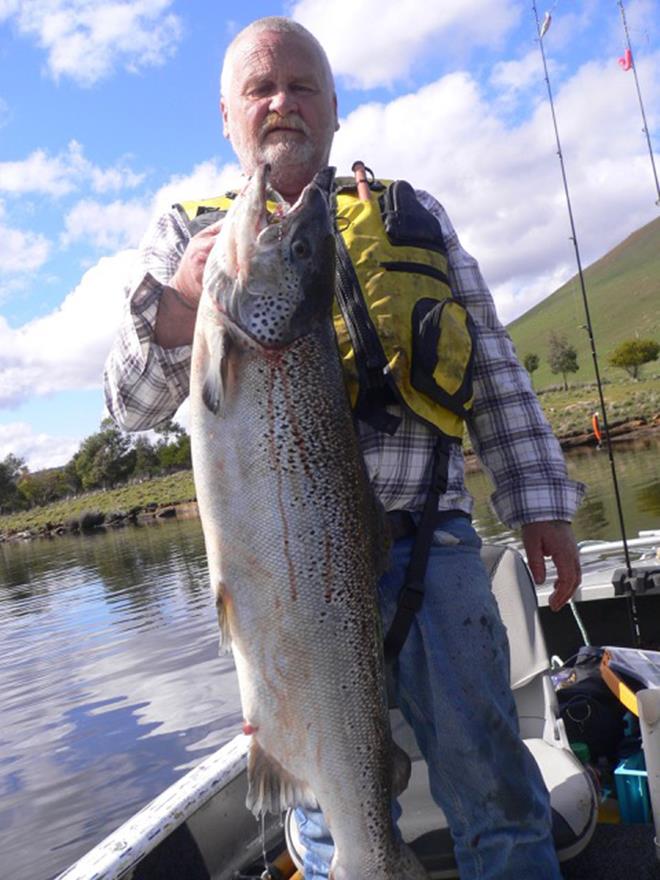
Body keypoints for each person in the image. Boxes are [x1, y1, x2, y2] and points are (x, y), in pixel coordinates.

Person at [104, 16, 585, 880]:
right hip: (280, 585)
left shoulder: (411, 213)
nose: (281, 102)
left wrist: (541, 502)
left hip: (433, 543)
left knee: (499, 789)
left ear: (333, 107)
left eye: (301, 86)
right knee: (331, 819)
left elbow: (496, 365)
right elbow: (131, 403)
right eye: (260, 89)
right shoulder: (185, 239)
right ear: (227, 115)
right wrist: (178, 305)